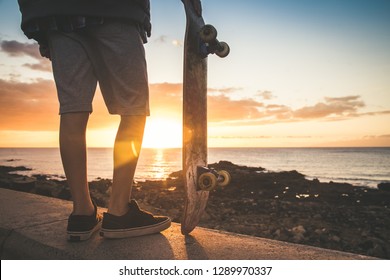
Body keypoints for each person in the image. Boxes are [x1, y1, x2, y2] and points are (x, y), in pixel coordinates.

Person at [16, 0, 200, 241]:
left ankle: (82, 214)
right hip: (115, 10)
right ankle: (118, 212)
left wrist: (40, 26)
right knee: (133, 111)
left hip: (55, 15)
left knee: (72, 111)